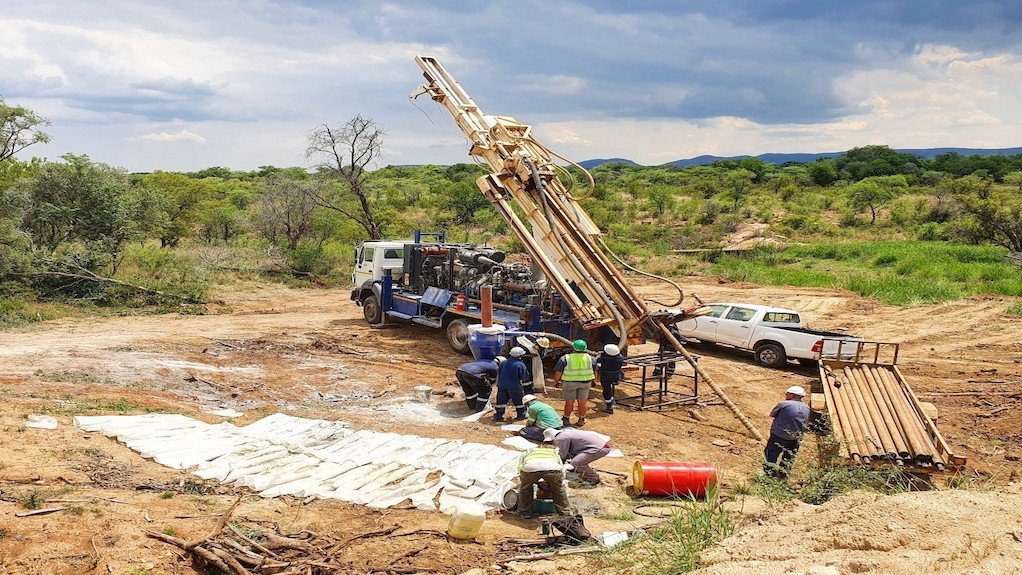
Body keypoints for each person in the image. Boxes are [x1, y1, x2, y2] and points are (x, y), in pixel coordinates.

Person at [516, 428, 570, 519]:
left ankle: (525, 512)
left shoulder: (529, 450)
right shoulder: (555, 451)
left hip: (530, 467)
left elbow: (520, 466)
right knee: (558, 489)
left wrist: (524, 479)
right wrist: (559, 481)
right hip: (552, 468)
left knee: (525, 488)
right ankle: (565, 513)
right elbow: (560, 467)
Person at [764, 385, 811, 479]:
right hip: (796, 437)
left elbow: (772, 414)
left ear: (792, 395)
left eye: (787, 393)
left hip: (779, 435)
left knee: (771, 453)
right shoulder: (807, 408)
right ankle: (783, 474)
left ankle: (770, 475)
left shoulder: (783, 404)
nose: (786, 395)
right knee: (789, 456)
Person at [553, 339, 595, 427]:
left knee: (569, 402)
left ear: (573, 348)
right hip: (585, 382)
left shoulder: (565, 358)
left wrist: (557, 381)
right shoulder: (591, 358)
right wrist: (594, 381)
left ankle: (566, 419)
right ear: (585, 348)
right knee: (582, 402)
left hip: (569, 383)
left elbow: (558, 372)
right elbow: (594, 371)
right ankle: (581, 419)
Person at [493, 347, 532, 422]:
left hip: (502, 386)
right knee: (519, 402)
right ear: (519, 356)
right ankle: (521, 415)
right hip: (514, 387)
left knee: (501, 402)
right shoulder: (520, 365)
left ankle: (498, 416)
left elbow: (499, 373)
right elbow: (524, 377)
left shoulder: (504, 362)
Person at [594, 344, 624, 414]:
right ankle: (611, 400)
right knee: (609, 389)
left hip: (605, 378)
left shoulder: (602, 359)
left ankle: (609, 407)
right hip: (616, 377)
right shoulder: (620, 358)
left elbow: (597, 365)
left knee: (606, 391)